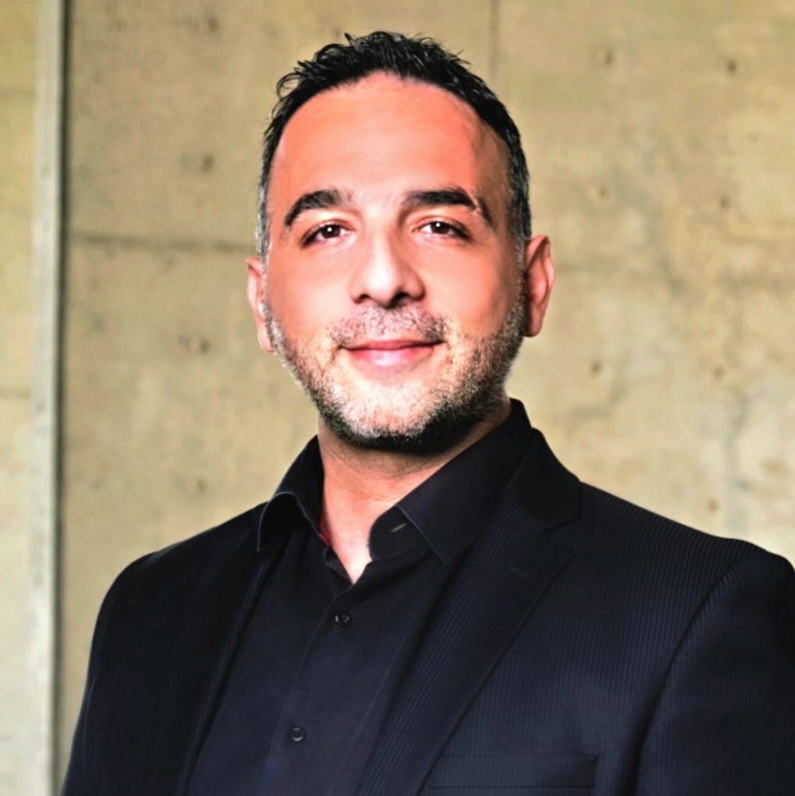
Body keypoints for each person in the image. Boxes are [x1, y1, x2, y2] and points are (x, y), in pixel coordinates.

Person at [62, 32, 795, 796]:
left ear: (531, 282)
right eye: (327, 232)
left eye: (439, 226)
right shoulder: (151, 609)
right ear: (261, 303)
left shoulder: (696, 617)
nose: (382, 280)